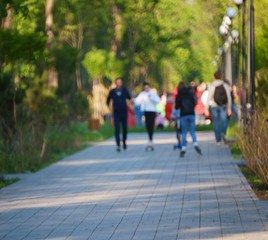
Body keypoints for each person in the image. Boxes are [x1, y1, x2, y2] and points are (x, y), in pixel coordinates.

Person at [175, 82, 202, 157]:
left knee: (184, 131)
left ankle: (183, 147)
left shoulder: (179, 95)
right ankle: (195, 143)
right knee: (192, 130)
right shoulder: (190, 93)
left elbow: (177, 106)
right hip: (191, 113)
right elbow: (194, 102)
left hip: (183, 114)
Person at [204, 71, 232, 144]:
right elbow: (229, 97)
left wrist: (206, 108)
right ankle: (223, 133)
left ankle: (218, 140)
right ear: (221, 76)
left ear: (214, 77)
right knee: (224, 121)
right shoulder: (225, 85)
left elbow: (208, 97)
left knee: (216, 123)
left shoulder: (212, 85)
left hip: (214, 106)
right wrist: (229, 108)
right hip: (223, 106)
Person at [106, 78, 131, 152]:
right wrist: (109, 106)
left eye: (120, 82)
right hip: (116, 112)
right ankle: (118, 144)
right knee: (117, 128)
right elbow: (108, 100)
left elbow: (129, 98)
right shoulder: (112, 91)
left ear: (122, 83)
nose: (119, 83)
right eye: (118, 82)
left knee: (124, 128)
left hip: (124, 111)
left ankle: (124, 141)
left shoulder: (125, 90)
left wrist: (130, 102)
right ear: (116, 83)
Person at [135, 82, 160, 150]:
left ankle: (150, 139)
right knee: (147, 125)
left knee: (151, 125)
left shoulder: (152, 93)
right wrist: (134, 101)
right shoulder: (142, 94)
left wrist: (151, 97)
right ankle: (150, 139)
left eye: (147, 87)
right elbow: (137, 100)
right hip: (146, 111)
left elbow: (158, 100)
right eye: (145, 87)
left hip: (152, 111)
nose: (146, 88)